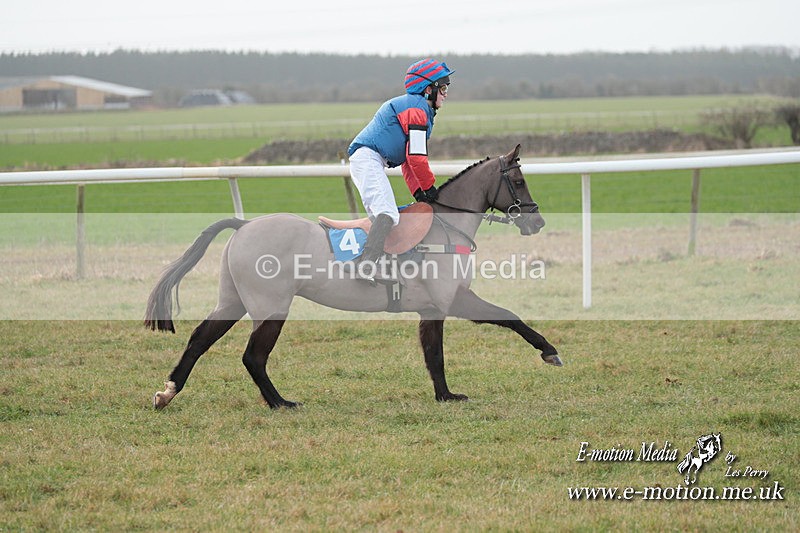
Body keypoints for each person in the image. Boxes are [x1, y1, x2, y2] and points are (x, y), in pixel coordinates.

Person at [347, 58, 453, 280]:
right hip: (368, 158)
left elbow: (407, 160)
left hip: (372, 159)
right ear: (428, 89)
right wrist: (429, 187)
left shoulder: (419, 108)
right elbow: (416, 158)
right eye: (442, 88)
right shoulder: (416, 110)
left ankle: (385, 261)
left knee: (388, 214)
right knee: (387, 214)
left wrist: (418, 192)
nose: (445, 94)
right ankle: (365, 266)